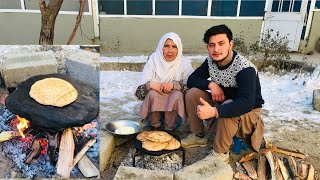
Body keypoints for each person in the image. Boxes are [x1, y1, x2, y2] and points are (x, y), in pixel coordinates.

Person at [181, 24, 264, 161]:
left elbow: (246, 103)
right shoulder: (211, 62)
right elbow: (191, 80)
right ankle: (198, 136)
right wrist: (211, 84)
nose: (216, 49)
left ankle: (220, 154)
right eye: (211, 45)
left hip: (248, 114)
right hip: (224, 102)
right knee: (192, 93)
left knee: (229, 107)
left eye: (221, 43)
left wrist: (215, 111)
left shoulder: (244, 68)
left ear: (231, 44)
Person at [135, 32, 193, 131]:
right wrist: (151, 85)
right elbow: (139, 93)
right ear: (161, 46)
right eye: (166, 46)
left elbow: (191, 90)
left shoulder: (183, 64)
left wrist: (175, 85)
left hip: (175, 114)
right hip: (153, 112)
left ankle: (170, 129)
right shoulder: (154, 60)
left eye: (174, 47)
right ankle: (155, 126)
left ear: (179, 48)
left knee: (176, 95)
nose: (170, 51)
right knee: (153, 93)